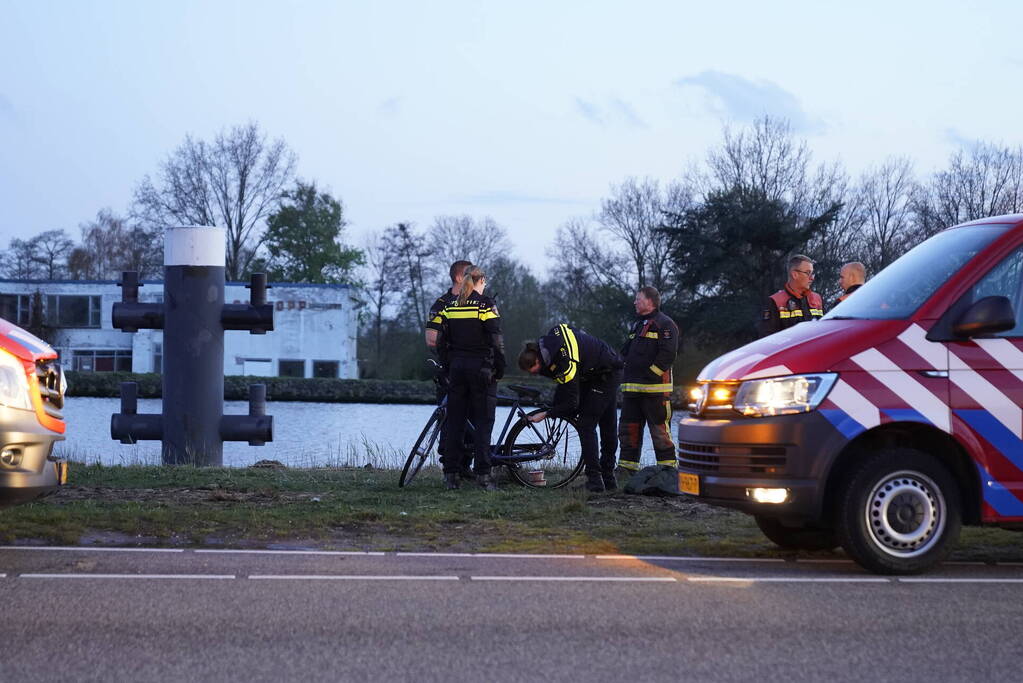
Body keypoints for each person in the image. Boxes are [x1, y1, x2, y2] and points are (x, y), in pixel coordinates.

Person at [518, 324, 623, 492]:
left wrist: (546, 414)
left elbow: (572, 402)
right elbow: (563, 387)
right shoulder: (551, 341)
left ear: (538, 360)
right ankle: (609, 481)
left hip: (607, 373)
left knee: (587, 424)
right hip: (593, 370)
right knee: (606, 424)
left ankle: (595, 480)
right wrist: (555, 407)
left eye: (533, 371)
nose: (534, 374)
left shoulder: (565, 363)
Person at [436, 267, 505, 491]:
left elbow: (440, 343)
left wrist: (449, 366)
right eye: (485, 282)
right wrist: (500, 367)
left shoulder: (450, 306)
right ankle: (483, 476)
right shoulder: (486, 304)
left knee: (455, 423)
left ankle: (450, 476)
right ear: (481, 280)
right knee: (483, 424)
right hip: (482, 371)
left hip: (457, 370)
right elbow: (496, 340)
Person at [618, 286, 679, 474]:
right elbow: (626, 353)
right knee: (628, 430)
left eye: (638, 299)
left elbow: (668, 354)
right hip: (632, 392)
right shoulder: (637, 325)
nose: (635, 302)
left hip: (655, 391)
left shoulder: (666, 324)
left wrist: (650, 375)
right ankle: (626, 469)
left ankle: (668, 471)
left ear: (650, 301)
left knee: (660, 431)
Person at [425, 260, 474, 479]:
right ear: (458, 277)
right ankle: (450, 468)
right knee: (450, 419)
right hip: (450, 371)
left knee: (474, 419)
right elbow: (431, 339)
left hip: (474, 370)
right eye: (470, 274)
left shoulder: (478, 301)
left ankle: (466, 466)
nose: (474, 278)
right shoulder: (441, 304)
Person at [758, 254, 825, 338]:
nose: (812, 278)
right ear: (794, 275)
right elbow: (767, 338)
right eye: (808, 273)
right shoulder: (776, 301)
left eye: (812, 273)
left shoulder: (817, 299)